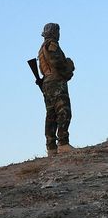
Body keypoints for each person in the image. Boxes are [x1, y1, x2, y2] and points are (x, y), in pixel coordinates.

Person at [37, 23, 74, 156]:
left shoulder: (41, 48)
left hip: (47, 83)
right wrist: (68, 67)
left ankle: (51, 147)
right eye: (57, 31)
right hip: (56, 82)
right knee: (64, 110)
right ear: (53, 32)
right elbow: (56, 62)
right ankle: (63, 143)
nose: (59, 34)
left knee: (51, 115)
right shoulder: (52, 44)